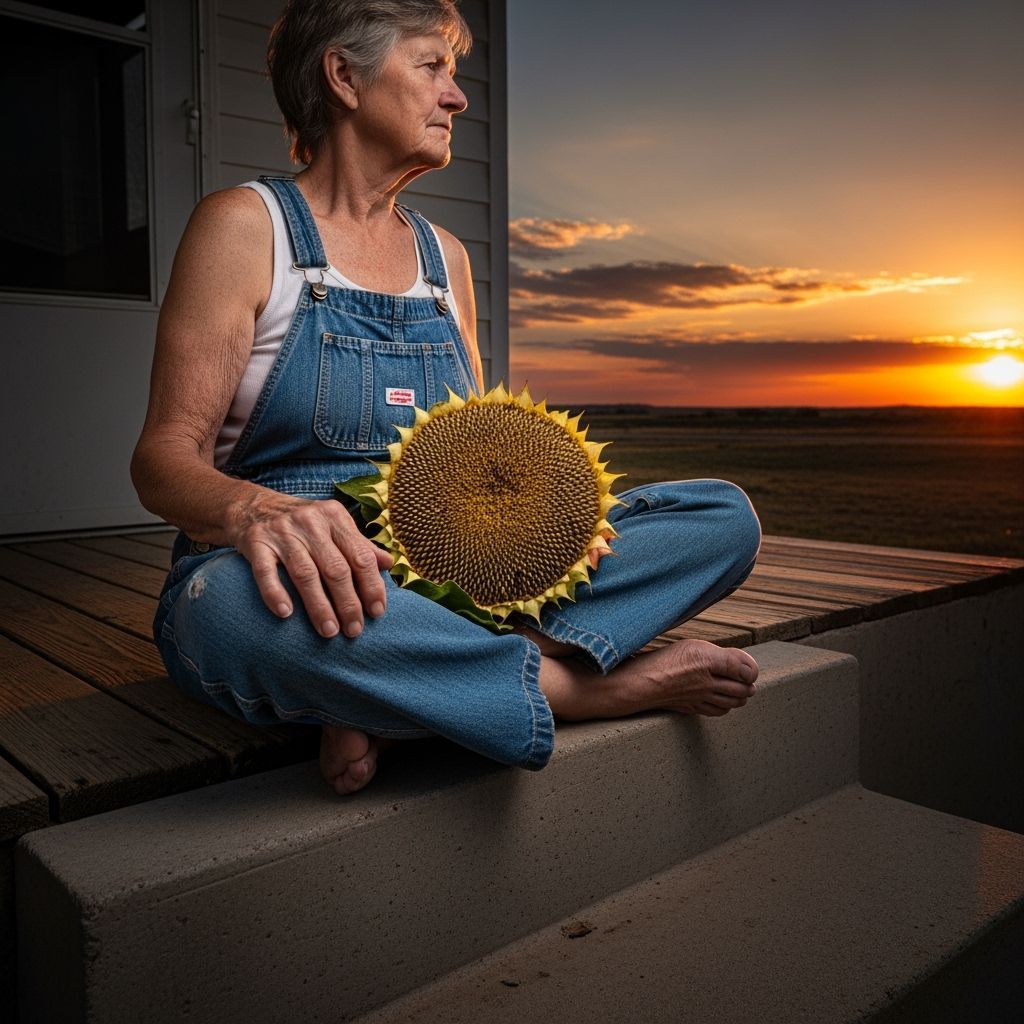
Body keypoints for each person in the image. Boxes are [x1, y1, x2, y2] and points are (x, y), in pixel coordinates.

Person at [131, 0, 762, 798]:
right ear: (344, 77)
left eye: (455, 75)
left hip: (453, 571)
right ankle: (580, 689)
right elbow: (162, 460)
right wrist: (257, 512)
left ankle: (401, 690)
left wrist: (553, 525)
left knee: (718, 519)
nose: (457, 97)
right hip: (288, 575)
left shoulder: (445, 259)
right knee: (220, 611)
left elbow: (478, 456)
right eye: (432, 67)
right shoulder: (246, 228)